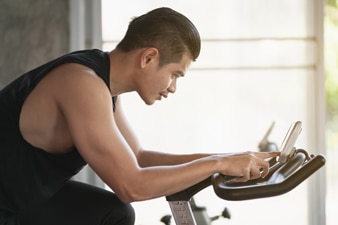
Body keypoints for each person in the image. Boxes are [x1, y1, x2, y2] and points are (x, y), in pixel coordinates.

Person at [0, 7, 280, 225]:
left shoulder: (103, 84)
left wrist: (228, 160)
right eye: (174, 74)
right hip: (8, 205)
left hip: (24, 198)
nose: (172, 88)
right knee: (119, 206)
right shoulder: (82, 84)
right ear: (148, 58)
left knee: (114, 213)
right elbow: (130, 185)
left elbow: (139, 158)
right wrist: (217, 163)